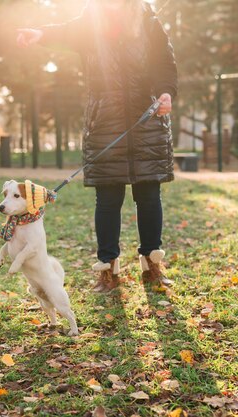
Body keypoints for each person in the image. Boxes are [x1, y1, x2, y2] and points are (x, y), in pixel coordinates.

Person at [17, 0, 177, 292]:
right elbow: (65, 33)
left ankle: (151, 263)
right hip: (106, 123)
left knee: (149, 195)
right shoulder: (90, 21)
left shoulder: (146, 19)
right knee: (108, 199)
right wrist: (39, 33)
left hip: (147, 122)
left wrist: (166, 92)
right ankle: (108, 268)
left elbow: (164, 62)